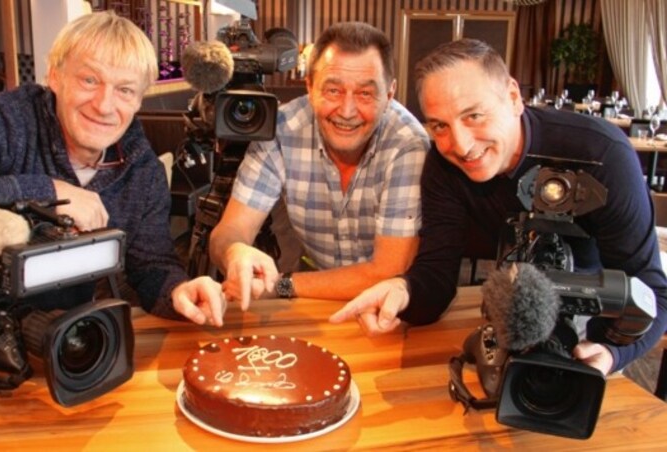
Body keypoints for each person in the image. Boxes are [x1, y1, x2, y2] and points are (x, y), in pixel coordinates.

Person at [330, 38, 667, 375]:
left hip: (590, 331)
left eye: (473, 115)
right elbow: (436, 277)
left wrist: (608, 353)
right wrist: (404, 290)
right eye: (439, 126)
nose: (460, 146)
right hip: (503, 317)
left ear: (513, 97)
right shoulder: (441, 165)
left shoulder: (601, 154)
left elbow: (654, 292)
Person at [0, 11, 226, 327]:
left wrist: (180, 290)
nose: (104, 105)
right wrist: (49, 191)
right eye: (89, 80)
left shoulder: (141, 169)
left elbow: (152, 269)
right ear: (54, 76)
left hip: (59, 342)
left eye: (124, 90)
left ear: (138, 100)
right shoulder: (7, 121)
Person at [208, 21, 429, 310]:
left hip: (390, 304)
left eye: (365, 94)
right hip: (315, 294)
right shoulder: (280, 131)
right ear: (310, 87)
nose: (347, 112)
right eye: (333, 90)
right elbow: (229, 231)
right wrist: (235, 252)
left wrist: (281, 285)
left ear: (389, 95)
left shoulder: (407, 144)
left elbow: (388, 271)